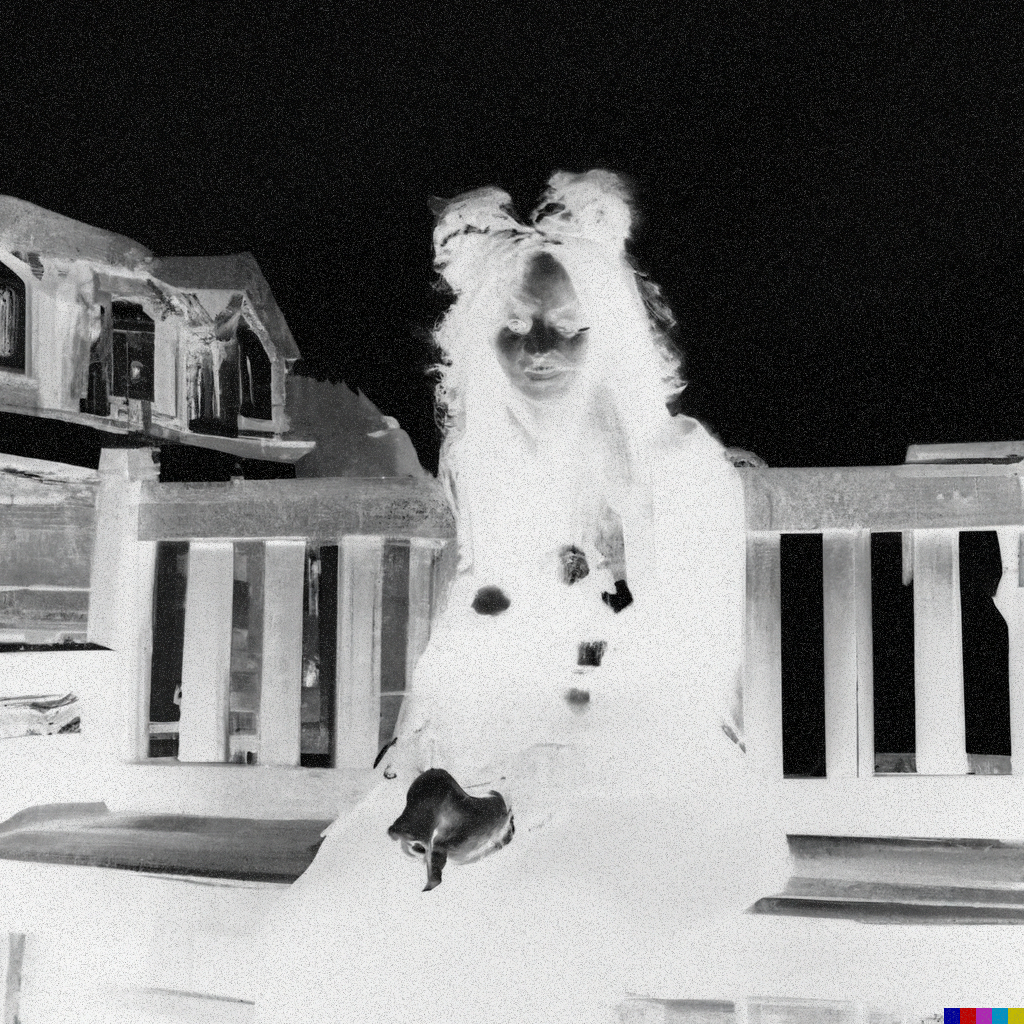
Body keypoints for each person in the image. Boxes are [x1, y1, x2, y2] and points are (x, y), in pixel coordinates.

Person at [255, 170, 790, 1023]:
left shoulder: (678, 465)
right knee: (331, 923)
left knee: (529, 924)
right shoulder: (488, 464)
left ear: (612, 333)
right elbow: (466, 641)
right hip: (490, 761)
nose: (538, 347)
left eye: (570, 327)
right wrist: (432, 768)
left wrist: (517, 803)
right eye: (512, 326)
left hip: (654, 778)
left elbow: (681, 685)